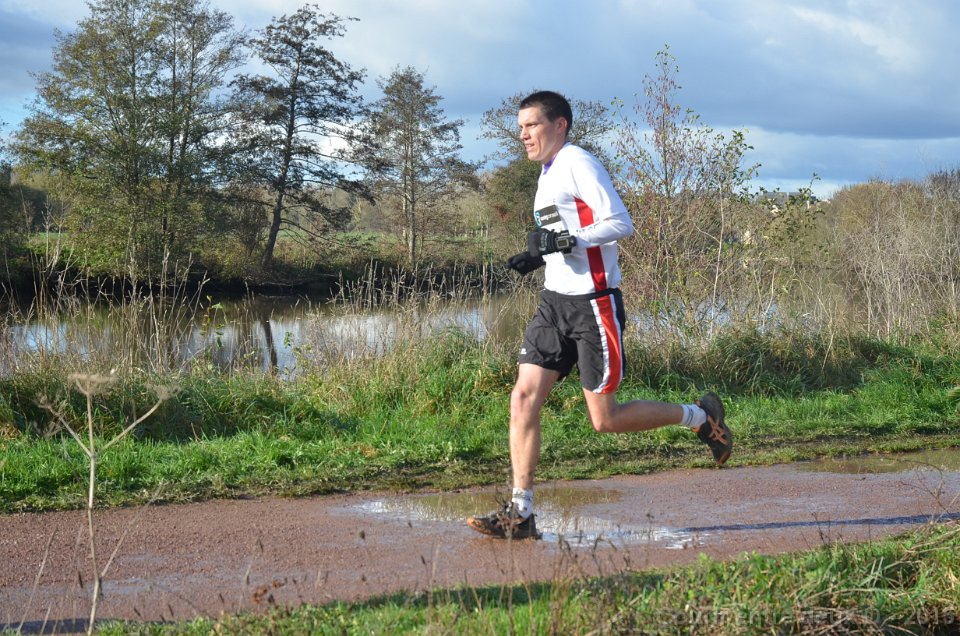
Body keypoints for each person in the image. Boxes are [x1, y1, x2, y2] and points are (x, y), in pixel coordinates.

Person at [466, 91, 732, 540]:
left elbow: (620, 223)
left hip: (594, 305)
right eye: (521, 127)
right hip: (554, 303)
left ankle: (700, 417)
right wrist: (540, 255)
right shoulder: (547, 173)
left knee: (604, 420)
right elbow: (564, 234)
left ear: (560, 125)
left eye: (532, 125)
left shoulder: (578, 162)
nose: (524, 135)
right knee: (523, 398)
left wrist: (568, 240)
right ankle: (521, 512)